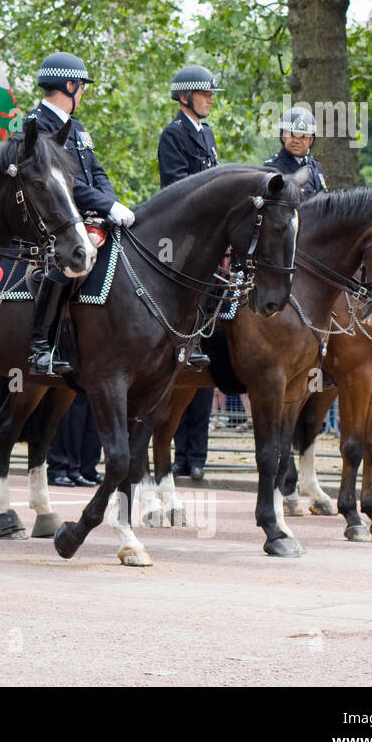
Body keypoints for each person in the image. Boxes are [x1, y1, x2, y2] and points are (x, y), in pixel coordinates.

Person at [24, 51, 135, 375]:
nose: (83, 93)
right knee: (73, 261)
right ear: (69, 86)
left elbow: (96, 172)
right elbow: (60, 185)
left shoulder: (77, 127)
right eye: (81, 86)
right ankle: (40, 347)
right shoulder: (37, 124)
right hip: (55, 219)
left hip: (87, 214)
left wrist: (111, 204)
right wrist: (106, 205)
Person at [159, 64, 224, 479]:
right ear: (185, 97)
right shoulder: (174, 134)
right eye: (204, 93)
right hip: (183, 228)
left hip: (210, 230)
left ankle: (210, 337)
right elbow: (176, 184)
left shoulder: (207, 134)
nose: (210, 98)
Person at [263, 106, 326, 195]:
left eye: (303, 136)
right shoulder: (272, 167)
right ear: (283, 136)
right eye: (292, 135)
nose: (296, 140)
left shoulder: (316, 166)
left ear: (311, 140)